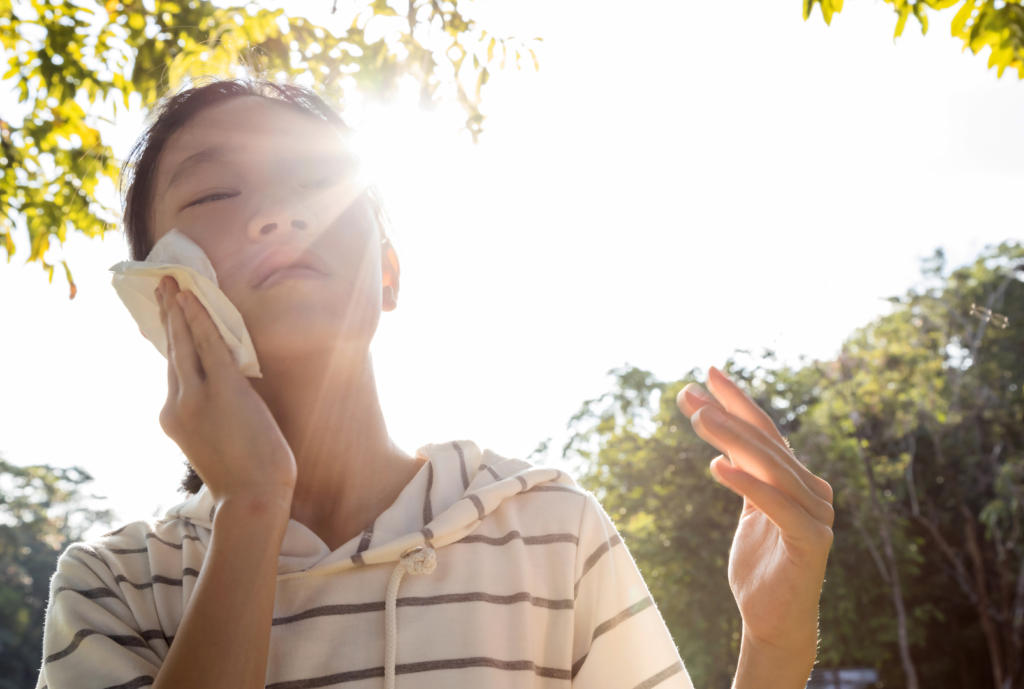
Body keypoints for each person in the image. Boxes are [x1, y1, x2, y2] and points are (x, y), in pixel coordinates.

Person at [34, 79, 834, 689]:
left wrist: (772, 643)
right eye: (214, 192)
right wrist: (250, 505)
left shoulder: (550, 530)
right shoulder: (113, 585)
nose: (279, 214)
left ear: (387, 270)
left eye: (315, 182)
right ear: (155, 293)